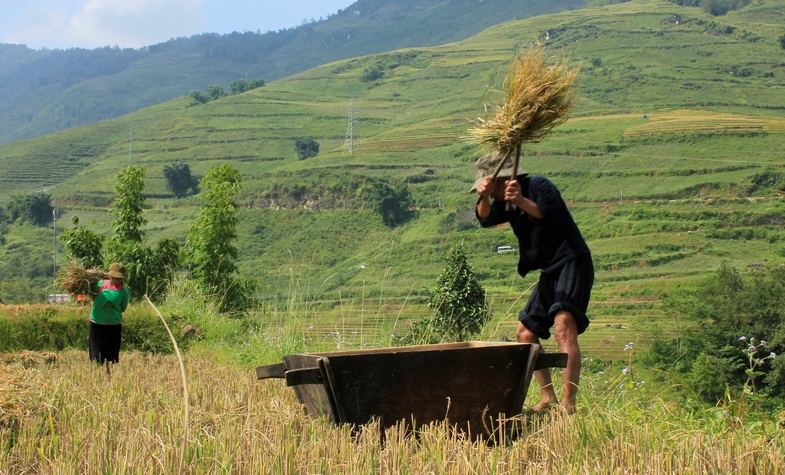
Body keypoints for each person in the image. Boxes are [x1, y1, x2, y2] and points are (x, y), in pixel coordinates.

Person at [472, 154, 594, 414]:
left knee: (563, 325)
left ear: (500, 179)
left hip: (571, 260)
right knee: (525, 332)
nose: (490, 192)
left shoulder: (539, 186)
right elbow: (485, 219)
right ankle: (547, 397)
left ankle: (568, 403)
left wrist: (521, 201)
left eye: (488, 186)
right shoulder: (503, 201)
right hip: (549, 269)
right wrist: (482, 197)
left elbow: (553, 216)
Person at [88, 263, 129, 373]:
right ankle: (97, 375)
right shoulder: (100, 284)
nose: (116, 280)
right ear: (110, 276)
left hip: (113, 326)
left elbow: (123, 307)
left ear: (122, 279)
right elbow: (89, 291)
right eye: (114, 278)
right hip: (97, 324)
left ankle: (110, 375)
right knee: (96, 354)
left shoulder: (124, 291)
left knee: (111, 355)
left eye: (118, 279)